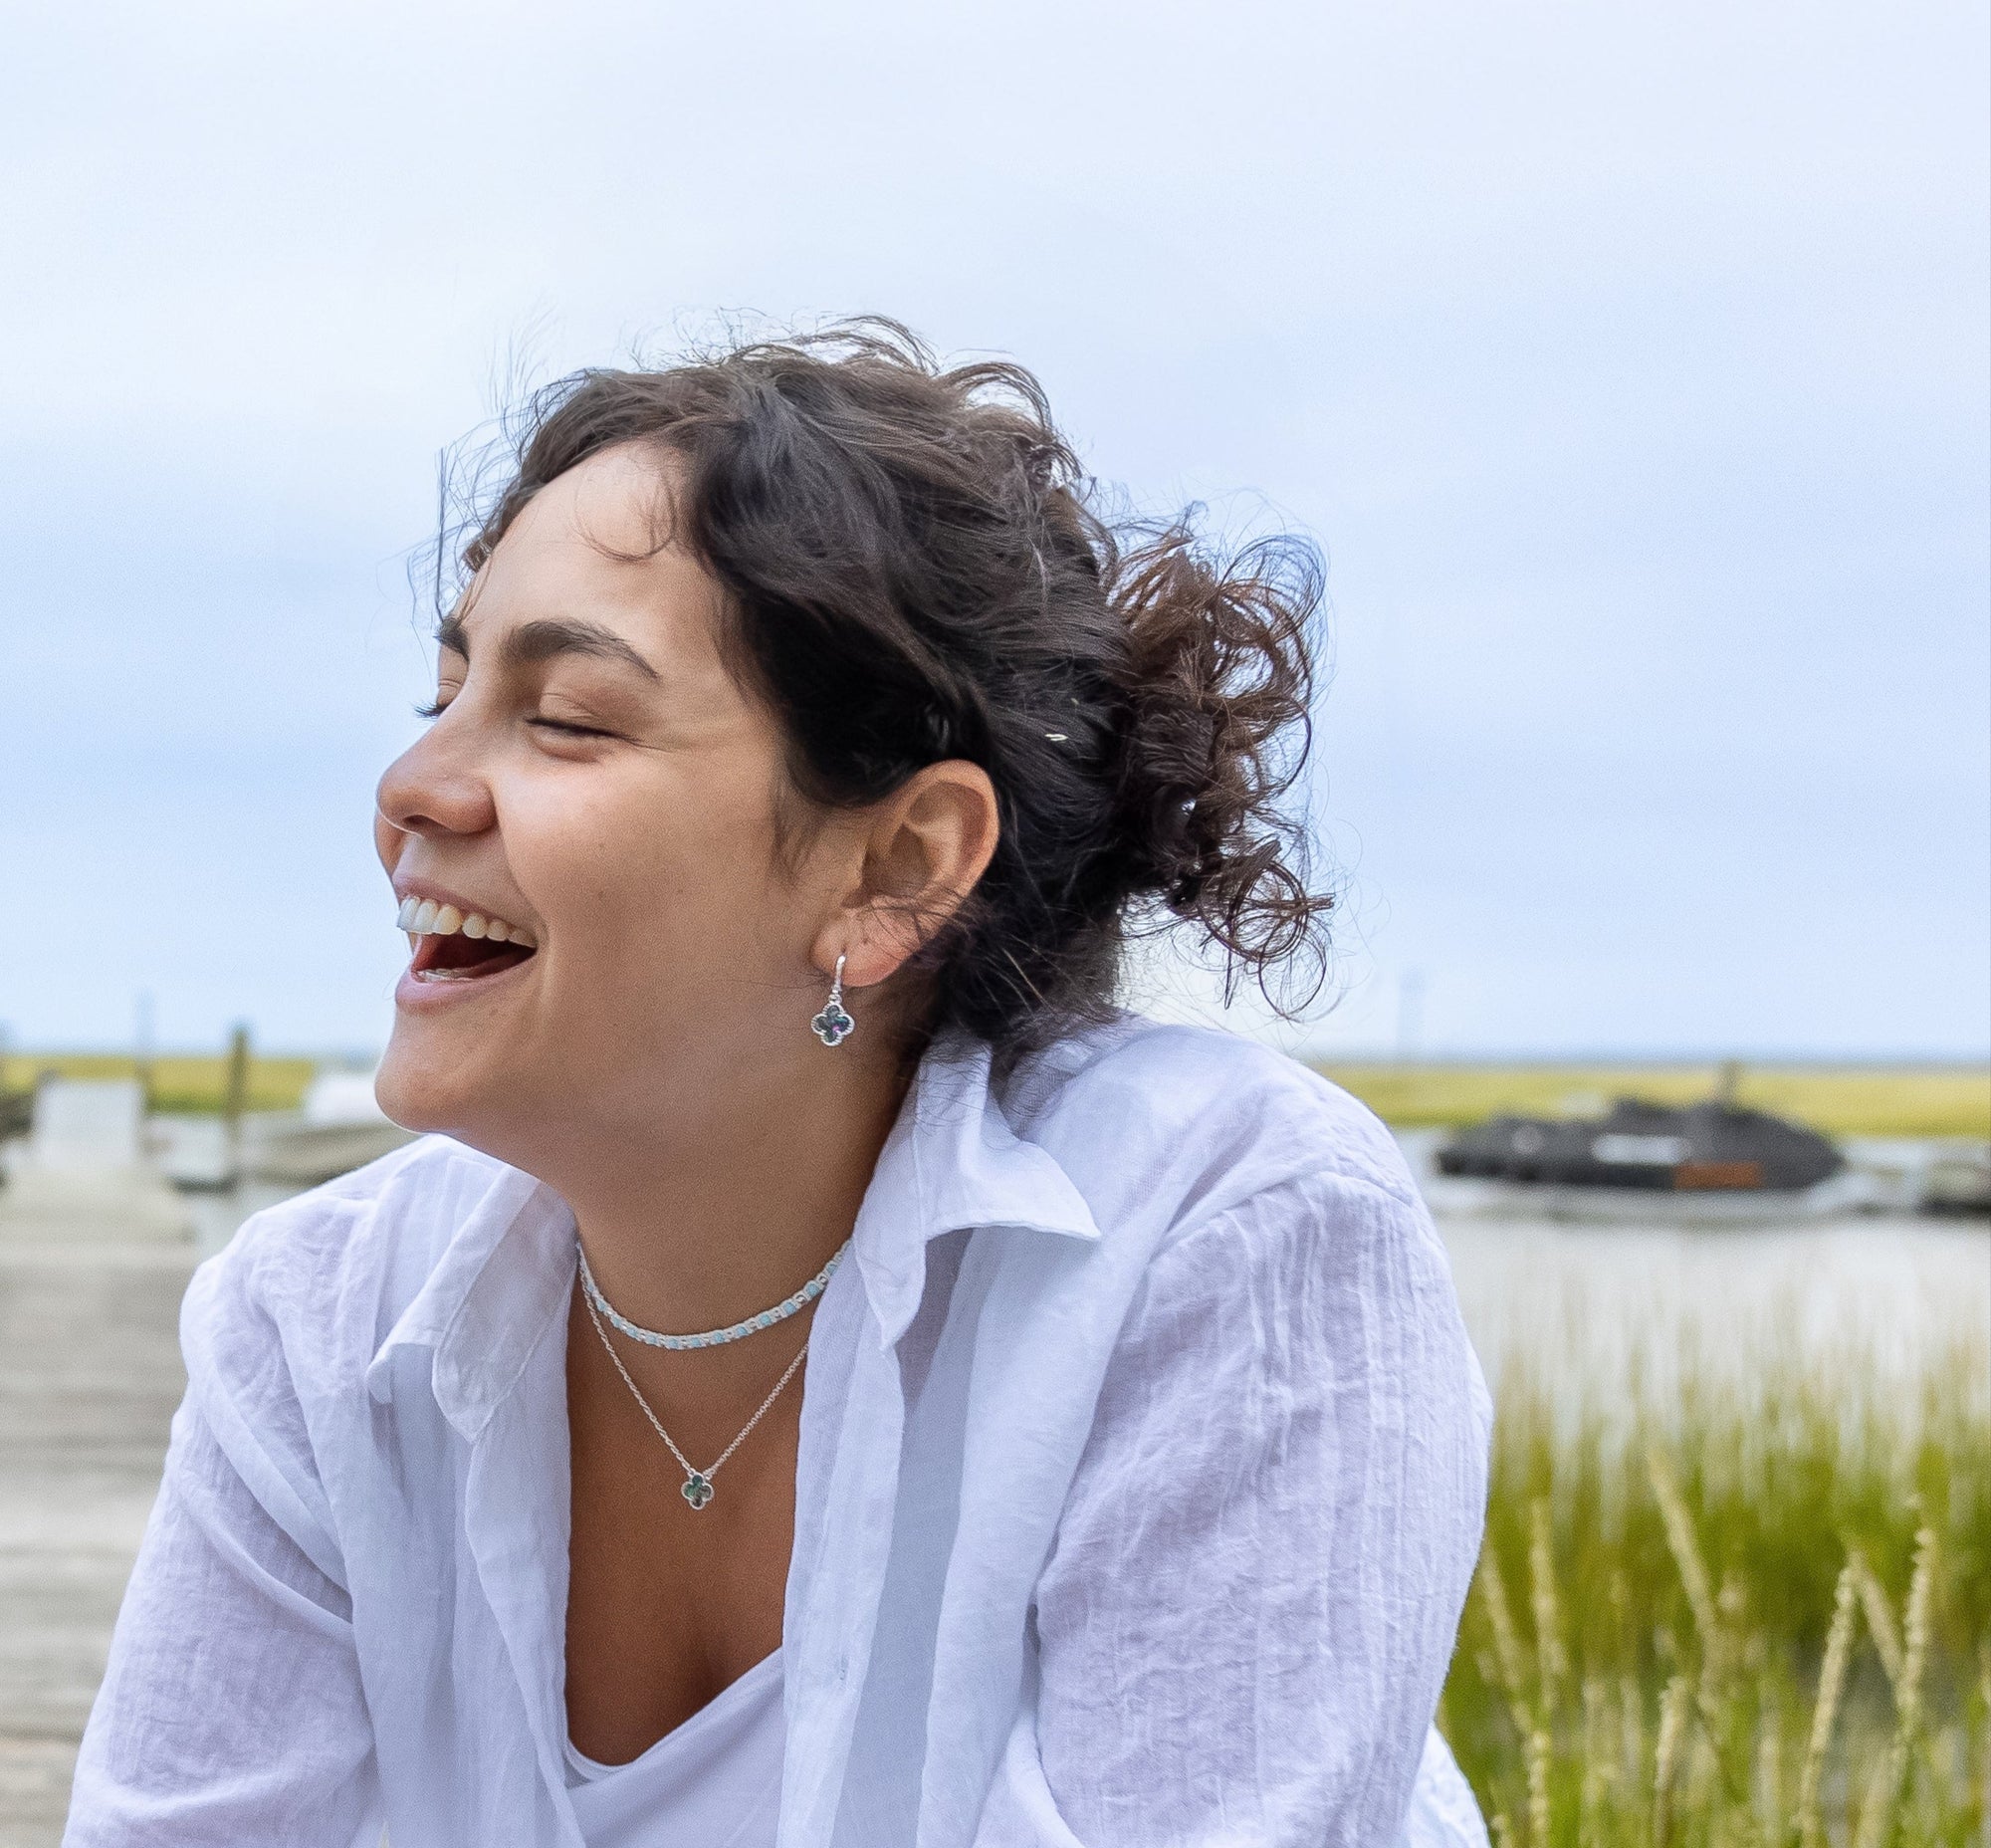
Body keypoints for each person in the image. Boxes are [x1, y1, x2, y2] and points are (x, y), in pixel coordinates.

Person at [65, 322, 1492, 1847]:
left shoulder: (1222, 1236)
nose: (411, 794)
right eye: (446, 697)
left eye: (566, 718)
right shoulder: (314, 1330)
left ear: (896, 868)